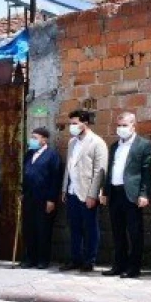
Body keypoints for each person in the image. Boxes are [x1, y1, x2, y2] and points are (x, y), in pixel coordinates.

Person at [100, 112, 151, 278]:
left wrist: (144, 194)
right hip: (115, 192)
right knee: (117, 231)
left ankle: (133, 268)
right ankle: (118, 265)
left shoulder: (143, 145)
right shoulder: (115, 146)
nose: (121, 129)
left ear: (133, 126)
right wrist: (105, 190)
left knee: (135, 232)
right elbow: (109, 170)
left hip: (131, 193)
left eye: (125, 125)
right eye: (119, 125)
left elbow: (147, 172)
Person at [60, 110, 108, 273]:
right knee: (74, 228)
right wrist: (64, 189)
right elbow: (69, 166)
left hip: (87, 192)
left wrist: (93, 194)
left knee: (90, 228)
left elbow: (99, 171)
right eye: (70, 123)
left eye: (75, 123)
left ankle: (89, 260)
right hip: (72, 191)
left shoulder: (97, 142)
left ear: (85, 123)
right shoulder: (72, 142)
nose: (71, 127)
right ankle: (75, 259)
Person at [20, 127, 62, 269]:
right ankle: (29, 258)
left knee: (43, 229)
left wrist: (51, 199)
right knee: (29, 229)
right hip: (29, 197)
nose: (32, 140)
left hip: (44, 199)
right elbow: (25, 174)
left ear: (44, 140)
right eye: (32, 137)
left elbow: (55, 178)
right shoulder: (29, 154)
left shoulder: (52, 155)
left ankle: (42, 260)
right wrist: (22, 191)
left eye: (35, 138)